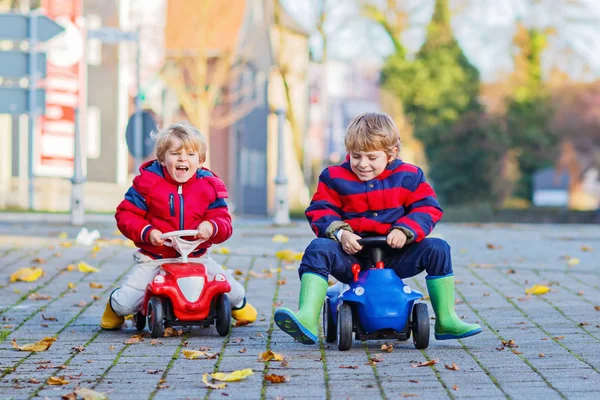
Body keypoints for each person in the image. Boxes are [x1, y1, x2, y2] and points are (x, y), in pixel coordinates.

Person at [274, 112, 481, 344]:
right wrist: (342, 233)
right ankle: (307, 318)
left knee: (438, 248)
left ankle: (447, 319)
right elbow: (320, 209)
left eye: (372, 158)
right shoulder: (334, 177)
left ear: (391, 153)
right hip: (352, 257)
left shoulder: (409, 176)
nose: (363, 164)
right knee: (318, 248)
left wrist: (404, 230)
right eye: (356, 156)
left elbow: (427, 208)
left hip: (395, 255)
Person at [101, 122, 257, 330]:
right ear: (162, 159)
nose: (183, 158)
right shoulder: (148, 183)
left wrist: (211, 226)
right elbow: (125, 215)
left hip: (196, 257)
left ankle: (235, 306)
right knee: (126, 302)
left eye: (190, 154)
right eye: (175, 153)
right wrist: (148, 232)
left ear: (200, 161)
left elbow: (224, 220)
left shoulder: (209, 186)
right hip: (156, 257)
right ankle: (113, 307)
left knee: (235, 291)